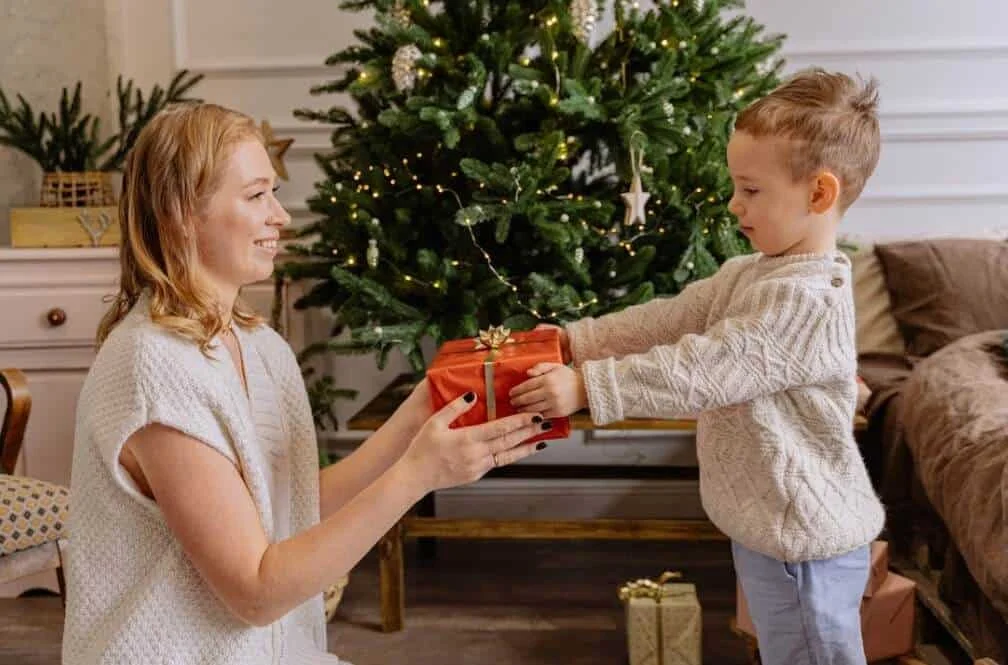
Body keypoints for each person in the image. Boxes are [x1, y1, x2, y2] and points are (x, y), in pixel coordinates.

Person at [61, 102, 550, 665]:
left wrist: (417, 415)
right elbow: (257, 592)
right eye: (255, 195)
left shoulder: (257, 345)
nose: (281, 216)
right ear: (180, 214)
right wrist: (420, 475)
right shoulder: (154, 368)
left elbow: (292, 504)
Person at [509, 68, 886, 665]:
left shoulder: (806, 299)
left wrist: (588, 387)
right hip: (770, 528)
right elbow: (669, 320)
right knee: (785, 649)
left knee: (811, 654)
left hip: (803, 543)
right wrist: (576, 342)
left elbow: (703, 367)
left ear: (818, 194)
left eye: (752, 190)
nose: (735, 203)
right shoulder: (751, 273)